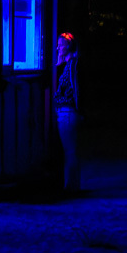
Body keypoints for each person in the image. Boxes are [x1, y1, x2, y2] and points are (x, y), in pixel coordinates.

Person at [54, 31, 81, 193]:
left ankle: (71, 187)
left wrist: (78, 108)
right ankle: (72, 185)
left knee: (70, 151)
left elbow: (75, 87)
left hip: (68, 111)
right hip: (66, 111)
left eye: (61, 44)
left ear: (69, 46)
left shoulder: (72, 65)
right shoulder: (68, 64)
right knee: (71, 150)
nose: (58, 47)